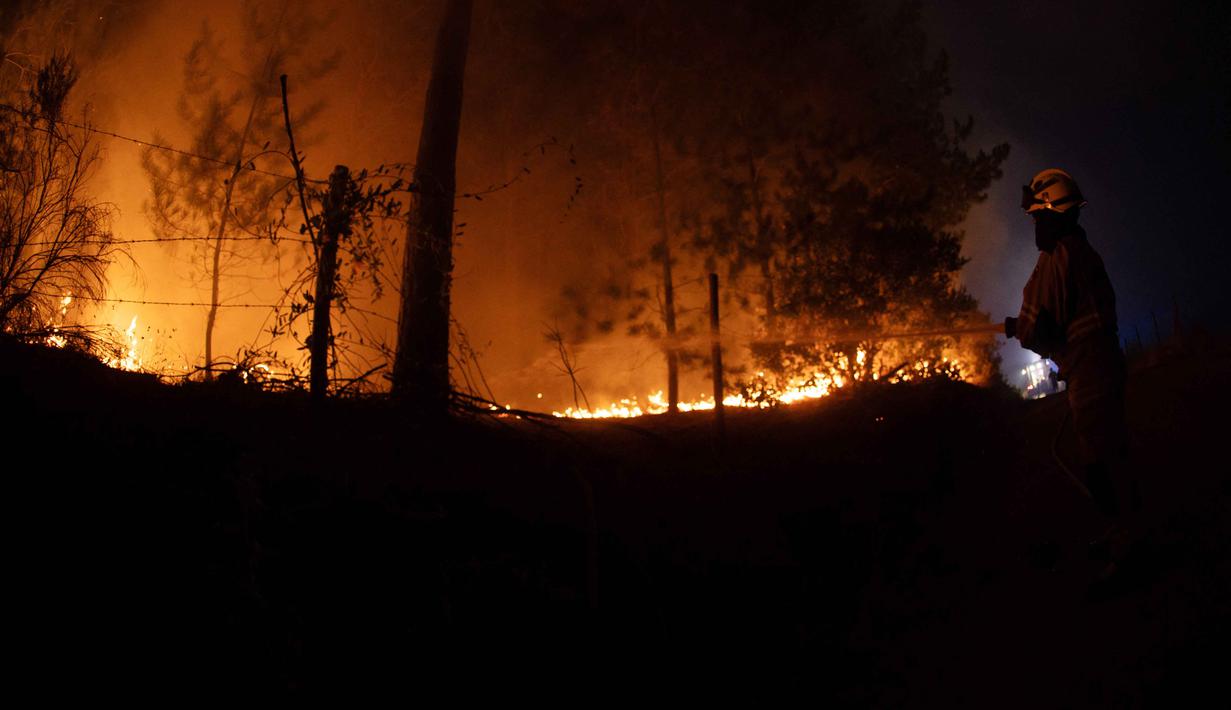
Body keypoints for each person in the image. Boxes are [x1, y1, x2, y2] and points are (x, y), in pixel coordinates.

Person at [1005, 168, 1135, 581]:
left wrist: (1018, 328)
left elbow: (1040, 329)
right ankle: (1121, 532)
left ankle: (1128, 548)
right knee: (1108, 454)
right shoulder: (1082, 252)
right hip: (1098, 366)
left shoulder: (1059, 257)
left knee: (1102, 463)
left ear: (1053, 212)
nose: (1035, 226)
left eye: (1037, 217)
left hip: (1091, 371)